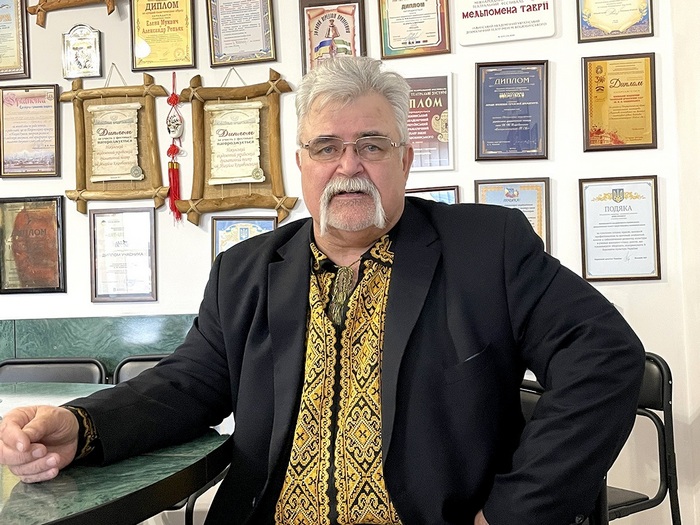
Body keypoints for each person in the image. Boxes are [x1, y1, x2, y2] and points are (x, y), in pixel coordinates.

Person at [0, 57, 645, 525]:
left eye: (372, 145)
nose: (348, 165)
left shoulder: (486, 247)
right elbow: (185, 386)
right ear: (301, 164)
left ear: (405, 160)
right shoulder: (244, 271)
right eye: (327, 147)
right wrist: (81, 426)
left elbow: (605, 357)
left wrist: (512, 515)